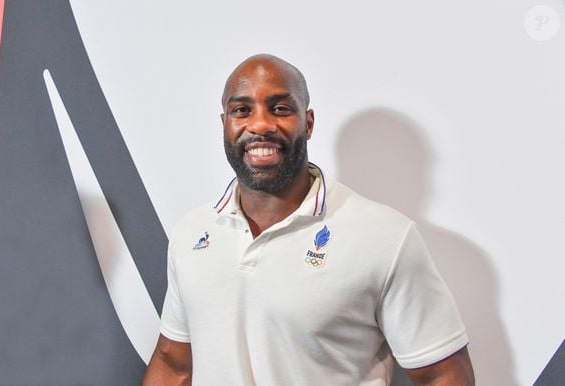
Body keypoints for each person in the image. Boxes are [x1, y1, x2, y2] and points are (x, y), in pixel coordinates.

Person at [142, 54, 475, 386]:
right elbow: (173, 365)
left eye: (280, 108)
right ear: (225, 124)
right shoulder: (192, 232)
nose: (259, 125)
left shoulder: (386, 237)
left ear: (308, 122)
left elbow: (442, 375)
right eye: (242, 110)